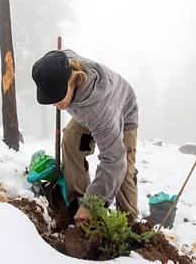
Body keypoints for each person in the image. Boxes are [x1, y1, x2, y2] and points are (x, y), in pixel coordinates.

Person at [31, 49, 140, 225]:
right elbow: (62, 53)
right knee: (71, 139)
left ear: (72, 79)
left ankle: (128, 224)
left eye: (58, 95)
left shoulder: (99, 111)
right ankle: (78, 203)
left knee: (123, 169)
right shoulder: (63, 63)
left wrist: (94, 204)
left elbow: (114, 161)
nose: (55, 103)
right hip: (85, 107)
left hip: (122, 107)